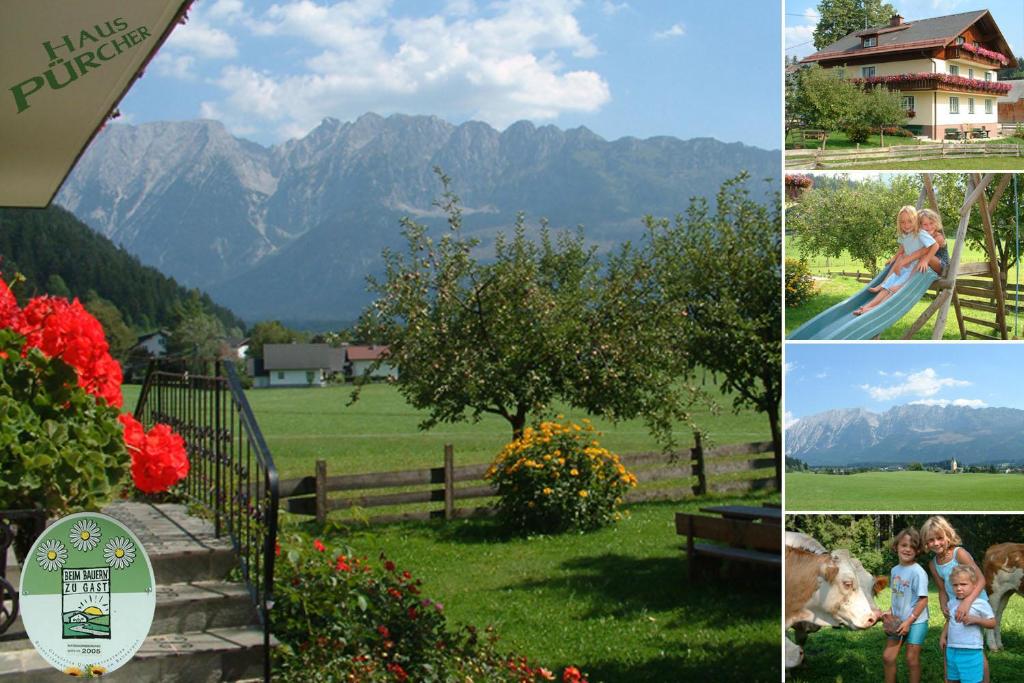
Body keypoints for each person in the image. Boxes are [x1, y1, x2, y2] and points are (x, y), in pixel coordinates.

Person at [921, 516, 990, 683]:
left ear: (947, 536)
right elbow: (942, 589)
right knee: (951, 643)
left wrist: (967, 603)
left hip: (974, 603)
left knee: (974, 648)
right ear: (926, 542)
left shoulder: (960, 554)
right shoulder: (933, 563)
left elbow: (981, 580)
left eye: (939, 538)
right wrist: (944, 605)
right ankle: (952, 678)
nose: (936, 543)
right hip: (954, 605)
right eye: (931, 540)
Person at [855, 206, 938, 316]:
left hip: (914, 267)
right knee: (887, 285)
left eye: (910, 221)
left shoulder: (920, 232)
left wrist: (925, 261)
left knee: (894, 288)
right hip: (904, 266)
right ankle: (868, 306)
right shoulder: (904, 234)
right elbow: (902, 247)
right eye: (902, 222)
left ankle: (876, 309)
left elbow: (934, 245)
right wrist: (894, 258)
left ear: (915, 220)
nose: (906, 225)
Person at [882, 528, 929, 683]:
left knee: (911, 659)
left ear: (918, 551)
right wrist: (889, 611)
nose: (907, 549)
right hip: (898, 621)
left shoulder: (918, 572)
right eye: (904, 545)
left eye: (912, 547)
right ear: (896, 547)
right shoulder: (895, 570)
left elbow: (923, 600)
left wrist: (909, 621)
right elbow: (897, 595)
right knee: (888, 657)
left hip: (916, 622)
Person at [941, 565, 996, 683]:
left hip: (971, 650)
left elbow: (992, 623)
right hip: (952, 649)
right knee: (952, 679)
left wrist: (976, 620)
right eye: (955, 585)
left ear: (974, 585)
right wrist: (943, 636)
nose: (959, 588)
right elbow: (950, 621)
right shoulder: (952, 603)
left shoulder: (980, 603)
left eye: (963, 584)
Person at [917, 208, 949, 275]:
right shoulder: (921, 236)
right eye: (925, 224)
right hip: (926, 264)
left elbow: (923, 251)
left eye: (931, 223)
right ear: (919, 226)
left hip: (942, 266)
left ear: (936, 223)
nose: (929, 227)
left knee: (922, 255)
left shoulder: (938, 237)